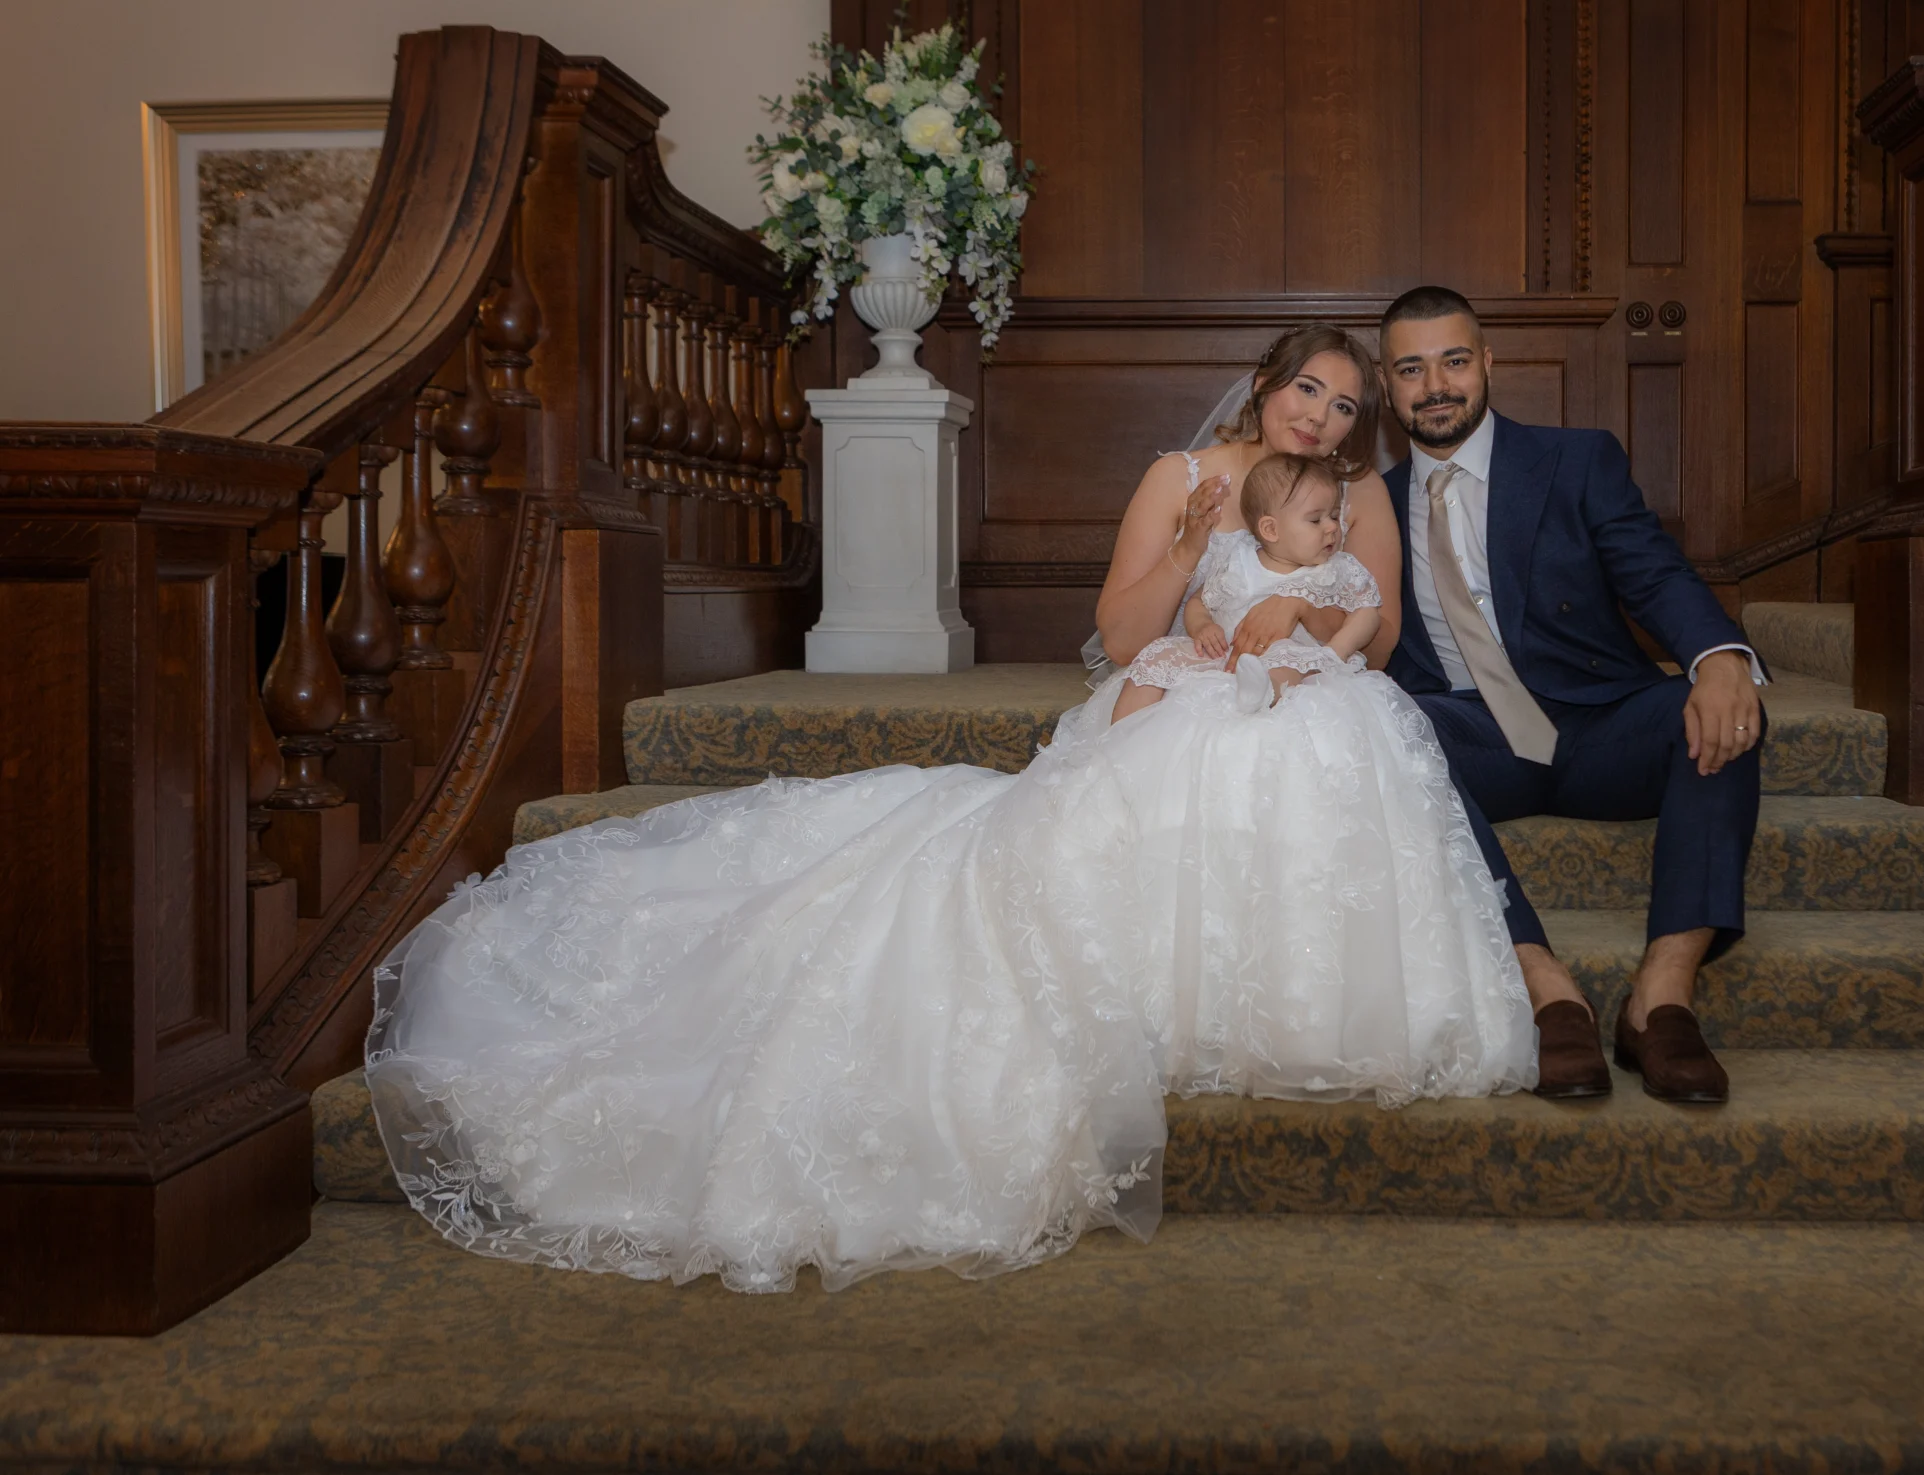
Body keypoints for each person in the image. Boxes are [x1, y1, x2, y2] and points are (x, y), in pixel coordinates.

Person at [364, 322, 1534, 1295]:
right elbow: (1124, 639)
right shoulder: (1182, 480)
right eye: (1306, 393)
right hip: (1179, 687)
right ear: (1267, 384)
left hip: (1299, 692)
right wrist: (1189, 565)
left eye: (1341, 408)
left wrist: (1298, 648)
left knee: (1329, 764)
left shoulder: (1350, 497)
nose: (1319, 421)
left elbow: (1373, 624)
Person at [1374, 285, 1764, 1106]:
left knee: (1720, 708)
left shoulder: (1575, 459)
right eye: (1411, 368)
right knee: (1387, 726)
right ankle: (1544, 985)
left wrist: (1718, 655)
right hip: (1473, 737)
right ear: (1388, 387)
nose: (1435, 384)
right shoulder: (1371, 501)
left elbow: (1653, 571)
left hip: (1601, 723)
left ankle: (1661, 995)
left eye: (1452, 360)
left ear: (1487, 364)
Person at [1113, 452, 1383, 722]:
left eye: (1334, 517)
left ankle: (1261, 693)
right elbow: (1199, 601)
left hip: (1296, 658)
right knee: (1157, 657)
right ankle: (1121, 736)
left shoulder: (1337, 568)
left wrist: (1334, 653)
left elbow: (1368, 612)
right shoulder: (1239, 558)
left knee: (1287, 668)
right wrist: (1202, 627)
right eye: (1316, 520)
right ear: (1270, 529)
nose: (1332, 528)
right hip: (1224, 656)